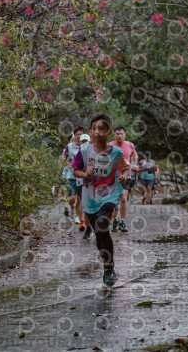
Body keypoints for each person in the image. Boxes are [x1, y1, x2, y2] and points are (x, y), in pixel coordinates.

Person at [71, 113, 130, 286]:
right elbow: (75, 171)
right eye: (94, 129)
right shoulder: (85, 151)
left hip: (109, 193)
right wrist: (85, 174)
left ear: (109, 131)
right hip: (90, 196)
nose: (97, 132)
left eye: (101, 129)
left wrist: (124, 175)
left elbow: (126, 167)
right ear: (90, 131)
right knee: (99, 232)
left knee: (102, 223)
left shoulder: (116, 153)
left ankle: (109, 269)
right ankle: (107, 263)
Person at [108, 126, 138, 233]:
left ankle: (123, 222)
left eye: (121, 134)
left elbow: (134, 155)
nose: (119, 136)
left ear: (125, 135)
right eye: (117, 134)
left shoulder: (130, 145)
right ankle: (115, 220)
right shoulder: (110, 145)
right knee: (115, 199)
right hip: (113, 176)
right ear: (114, 135)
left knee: (124, 198)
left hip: (126, 175)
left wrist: (134, 165)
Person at [62, 127, 85, 231]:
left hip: (82, 175)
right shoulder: (70, 146)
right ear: (74, 136)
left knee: (79, 198)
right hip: (71, 175)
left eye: (81, 134)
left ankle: (78, 216)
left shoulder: (86, 146)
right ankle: (72, 207)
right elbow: (64, 156)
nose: (79, 136)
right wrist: (66, 163)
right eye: (77, 134)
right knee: (72, 198)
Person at [78, 134, 94, 240]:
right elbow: (76, 168)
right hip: (86, 182)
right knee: (87, 207)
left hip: (102, 184)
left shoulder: (107, 148)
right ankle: (88, 228)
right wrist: (83, 174)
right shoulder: (82, 150)